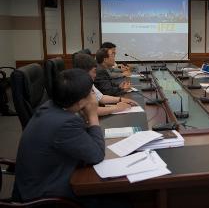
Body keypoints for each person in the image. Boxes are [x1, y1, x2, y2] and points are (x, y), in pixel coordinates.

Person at [13, 69, 105, 202]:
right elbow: (97, 155)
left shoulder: (50, 106)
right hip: (45, 196)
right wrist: (92, 114)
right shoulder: (66, 123)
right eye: (91, 92)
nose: (93, 96)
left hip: (36, 181)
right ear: (80, 102)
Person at [73, 53, 138, 116]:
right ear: (84, 72)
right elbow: (89, 111)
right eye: (94, 71)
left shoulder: (88, 82)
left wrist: (121, 99)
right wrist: (117, 108)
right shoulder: (77, 85)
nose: (95, 75)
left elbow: (101, 97)